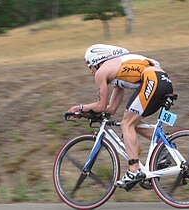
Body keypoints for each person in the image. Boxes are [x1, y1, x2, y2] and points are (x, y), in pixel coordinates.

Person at [68, 44, 173, 186]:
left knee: (126, 124)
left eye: (89, 67)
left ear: (95, 62)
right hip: (163, 80)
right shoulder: (119, 73)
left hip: (152, 79)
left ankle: (134, 171)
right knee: (131, 122)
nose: (91, 72)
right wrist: (88, 113)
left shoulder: (101, 72)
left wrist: (80, 108)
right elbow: (110, 109)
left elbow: (101, 106)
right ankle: (165, 144)